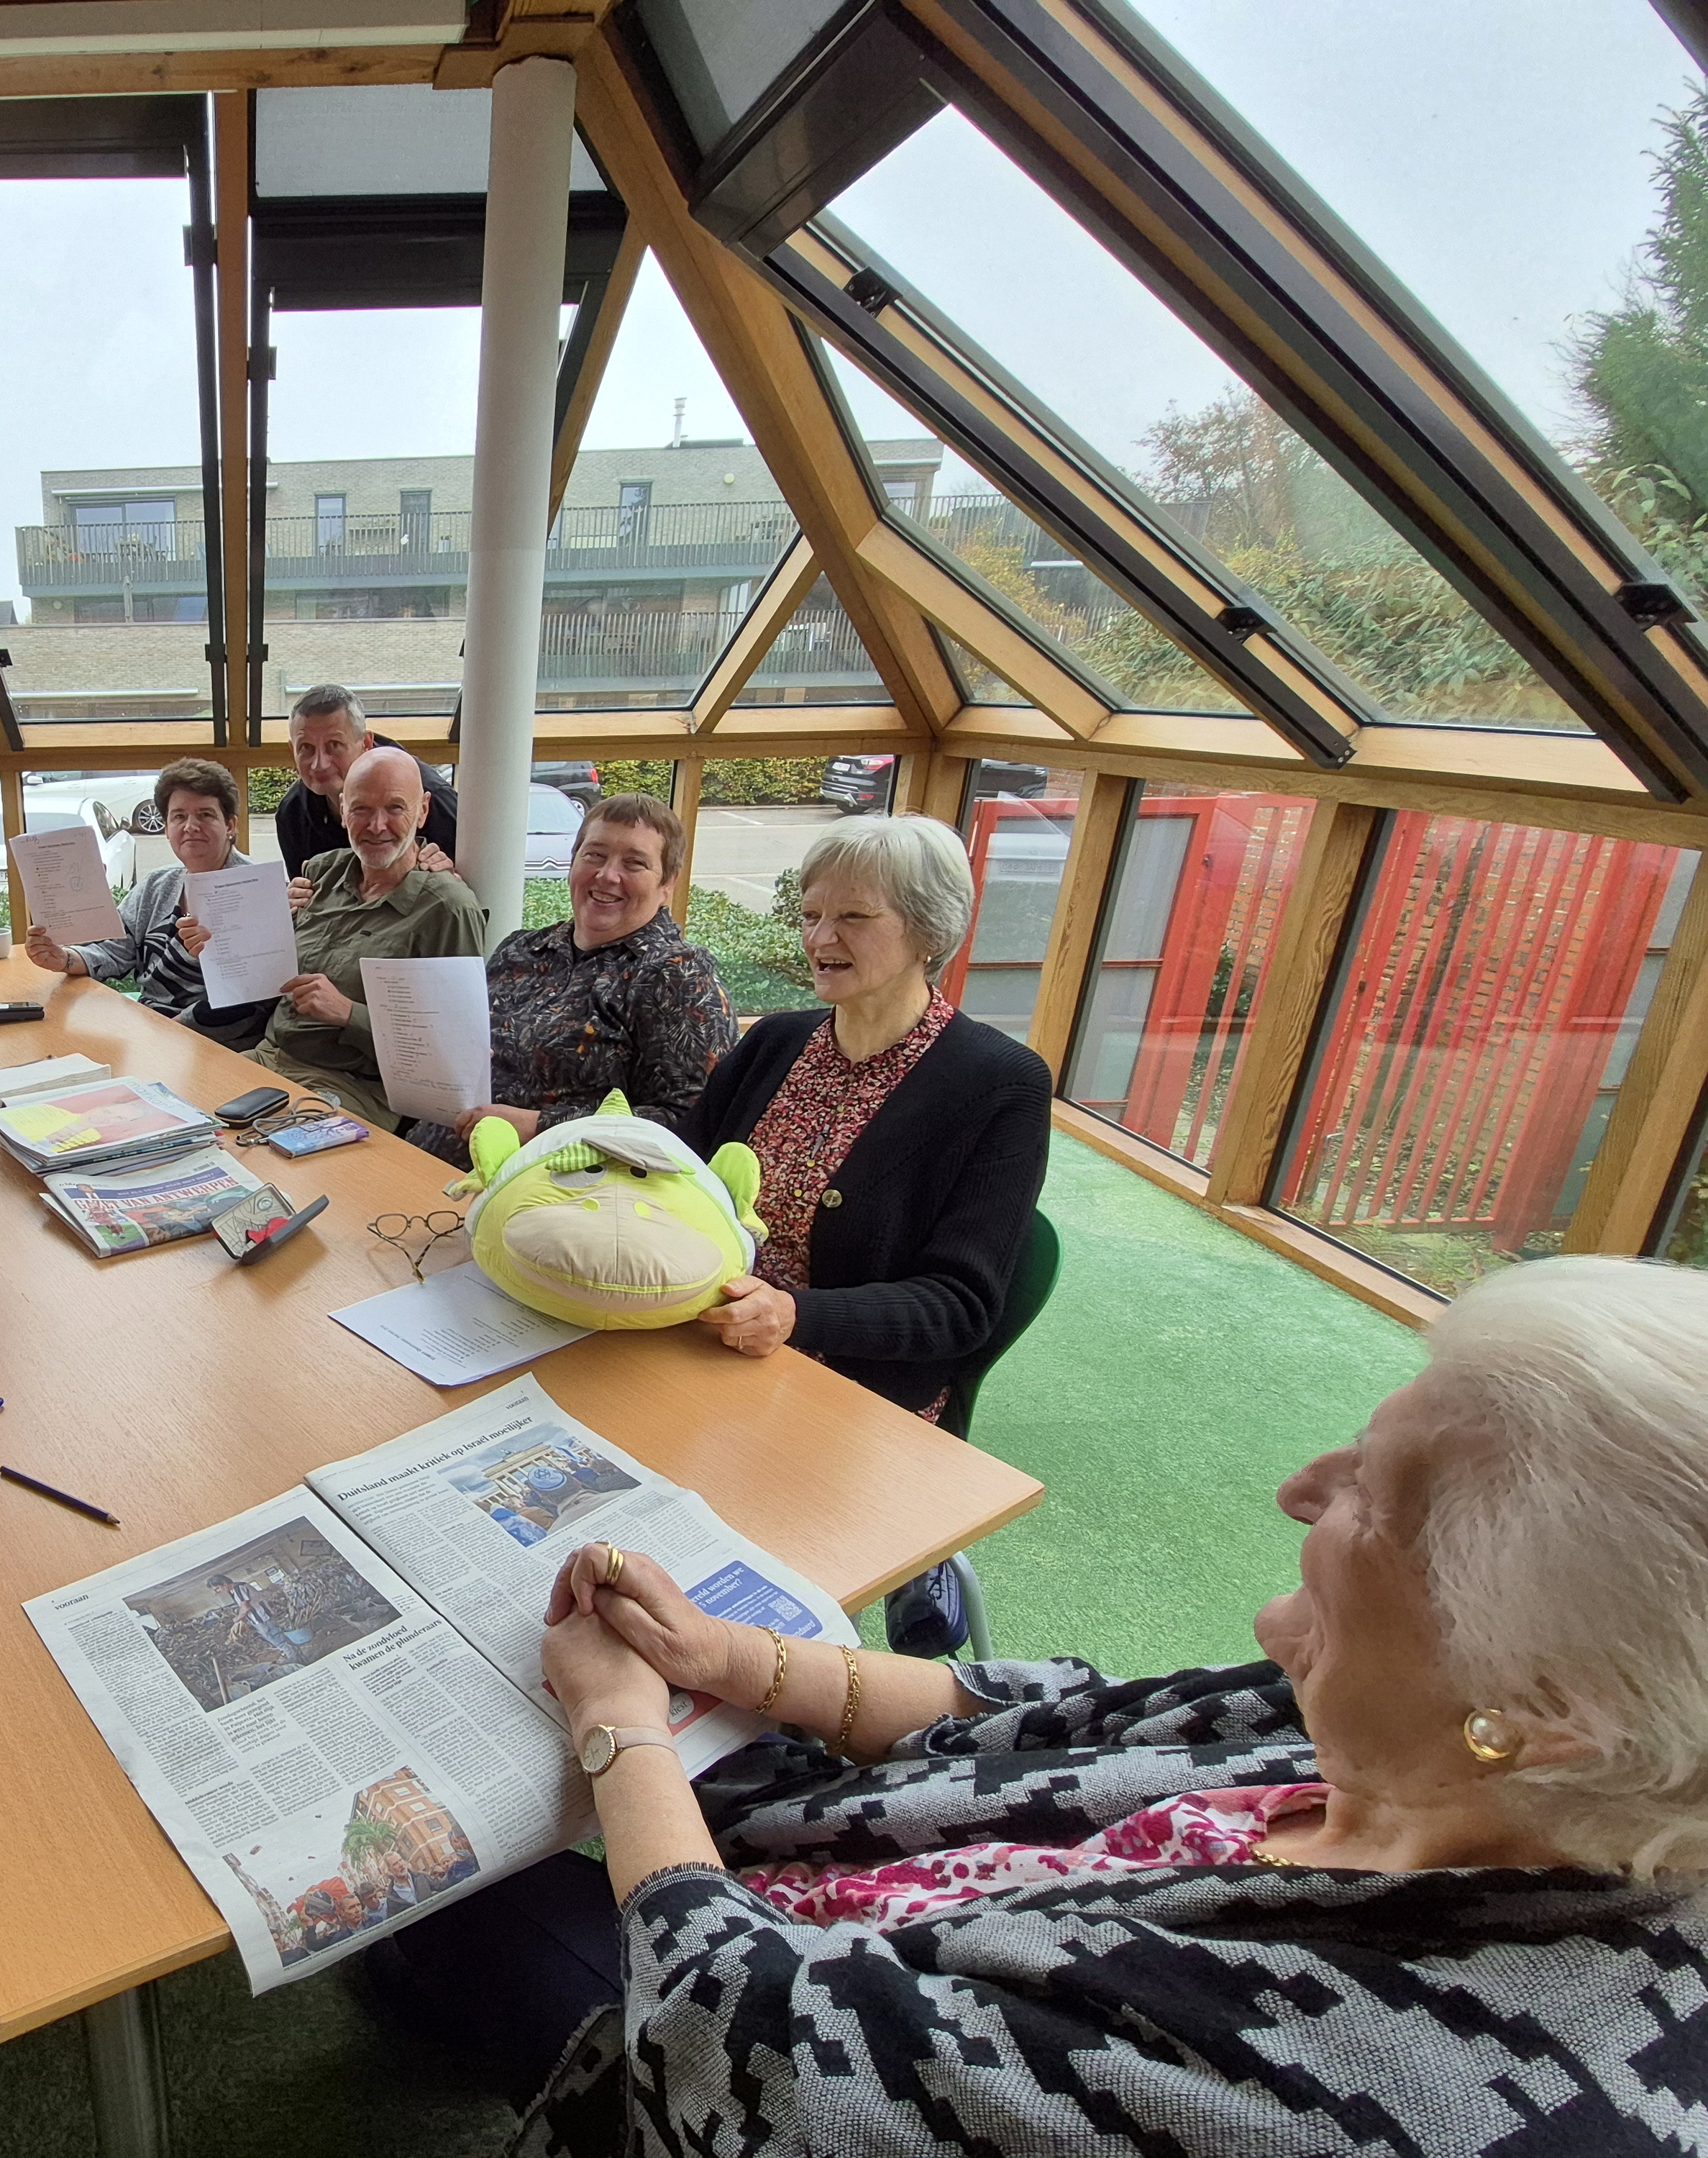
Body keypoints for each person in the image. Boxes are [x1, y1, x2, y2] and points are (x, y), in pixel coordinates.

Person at [376, 1256, 1708, 2152]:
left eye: (1375, 1497)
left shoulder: (1359, 2094)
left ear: (1540, 1706)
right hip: (835, 1863)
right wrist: (732, 1658)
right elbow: (1058, 1715)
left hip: (738, 2010)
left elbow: (745, 2056)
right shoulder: (1441, 1738)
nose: (1301, 1490)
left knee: (435, 1902)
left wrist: (622, 1731)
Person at [679, 814, 1049, 1419]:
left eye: (853, 916)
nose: (820, 938)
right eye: (810, 915)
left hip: (848, 1392)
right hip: (705, 1338)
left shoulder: (1000, 1083)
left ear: (928, 931)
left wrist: (794, 1315)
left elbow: (961, 1305)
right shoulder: (774, 1042)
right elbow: (679, 1176)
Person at [405, 793, 733, 1167]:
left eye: (634, 863)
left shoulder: (678, 975)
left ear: (668, 884)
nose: (607, 875)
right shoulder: (521, 949)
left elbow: (691, 1123)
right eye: (594, 855)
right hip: (426, 1157)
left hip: (546, 1183)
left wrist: (542, 1126)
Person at [201, 744, 485, 1129]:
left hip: (351, 1088)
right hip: (268, 1059)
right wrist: (220, 944)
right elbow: (268, 977)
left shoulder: (446, 908)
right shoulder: (321, 873)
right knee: (173, 1119)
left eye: (395, 808)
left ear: (423, 811)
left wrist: (349, 1014)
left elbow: (455, 1052)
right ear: (343, 810)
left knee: (254, 1153)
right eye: (362, 809)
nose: (377, 825)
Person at [22, 756, 278, 1051]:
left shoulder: (255, 888)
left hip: (220, 1045)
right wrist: (64, 958)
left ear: (230, 824)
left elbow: (256, 996)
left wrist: (160, 1035)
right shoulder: (158, 884)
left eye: (205, 815)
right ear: (167, 827)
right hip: (151, 1029)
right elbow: (116, 948)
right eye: (178, 816)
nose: (191, 826)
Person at [271, 685, 460, 878]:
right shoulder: (292, 814)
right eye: (306, 748)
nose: (319, 764)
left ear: (366, 744)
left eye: (334, 745)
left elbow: (471, 885)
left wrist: (453, 874)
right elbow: (304, 888)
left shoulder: (435, 799)